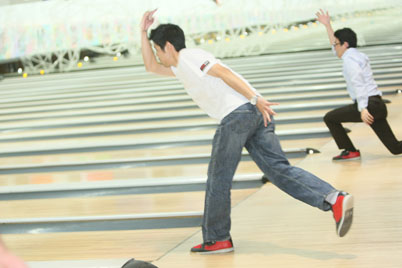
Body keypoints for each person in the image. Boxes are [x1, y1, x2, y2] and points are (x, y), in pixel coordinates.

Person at [140, 9, 354, 254]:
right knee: (278, 170)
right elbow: (150, 67)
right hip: (254, 113)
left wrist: (254, 99)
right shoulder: (180, 66)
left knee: (218, 178)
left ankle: (217, 238)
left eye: (157, 49)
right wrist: (143, 32)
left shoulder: (189, 56)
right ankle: (333, 198)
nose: (156, 55)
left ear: (168, 46)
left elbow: (223, 73)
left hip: (240, 113)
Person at [316, 9, 402, 161]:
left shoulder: (350, 61)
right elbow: (335, 47)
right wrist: (327, 26)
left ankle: (350, 151)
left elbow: (358, 84)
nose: (334, 47)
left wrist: (363, 109)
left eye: (336, 44)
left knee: (330, 118)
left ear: (345, 44)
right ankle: (350, 150)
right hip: (377, 105)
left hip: (369, 105)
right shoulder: (357, 55)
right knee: (395, 148)